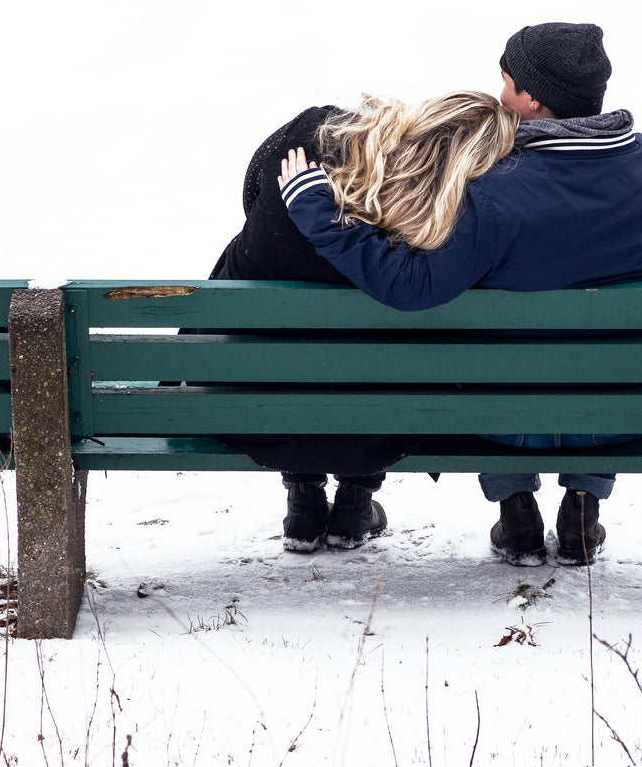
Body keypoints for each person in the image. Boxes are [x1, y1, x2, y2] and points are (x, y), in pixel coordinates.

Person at [278, 22, 642, 566]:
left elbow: (411, 286)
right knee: (617, 343)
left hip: (507, 419)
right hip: (619, 414)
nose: (500, 97)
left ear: (532, 98)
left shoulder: (494, 191)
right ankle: (581, 503)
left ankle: (516, 505)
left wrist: (319, 212)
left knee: (481, 349)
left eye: (506, 83)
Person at [209, 91, 518, 552]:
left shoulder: (311, 138)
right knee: (388, 352)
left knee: (286, 338)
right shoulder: (439, 226)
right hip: (377, 428)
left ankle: (303, 497)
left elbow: (252, 196)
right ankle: (354, 502)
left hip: (255, 409)